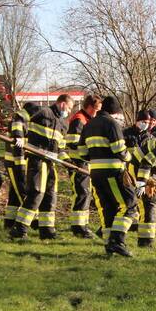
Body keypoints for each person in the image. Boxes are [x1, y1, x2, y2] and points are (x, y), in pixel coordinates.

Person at [78, 96, 138, 257]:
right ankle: (117, 241)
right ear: (115, 111)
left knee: (109, 208)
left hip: (95, 173)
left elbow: (82, 153)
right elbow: (119, 150)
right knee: (129, 205)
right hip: (113, 171)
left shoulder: (88, 124)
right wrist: (129, 156)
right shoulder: (112, 124)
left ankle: (108, 245)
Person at [11, 95, 74, 240]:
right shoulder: (43, 112)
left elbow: (61, 148)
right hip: (36, 159)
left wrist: (69, 163)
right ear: (63, 104)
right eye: (69, 108)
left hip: (50, 161)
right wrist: (18, 135)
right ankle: (19, 229)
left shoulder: (63, 124)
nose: (69, 112)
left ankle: (46, 230)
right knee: (36, 193)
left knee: (50, 195)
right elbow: (19, 116)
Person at [66, 95, 102, 238]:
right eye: (97, 110)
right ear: (90, 107)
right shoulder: (79, 120)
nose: (98, 113)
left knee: (86, 193)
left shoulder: (87, 120)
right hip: (77, 162)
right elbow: (72, 141)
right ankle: (79, 228)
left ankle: (83, 225)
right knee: (82, 193)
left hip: (84, 162)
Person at [3, 101, 37, 231]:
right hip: (15, 162)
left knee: (15, 194)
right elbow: (18, 138)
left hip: (20, 161)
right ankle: (32, 221)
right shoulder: (20, 117)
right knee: (22, 191)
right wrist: (21, 165)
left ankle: (9, 223)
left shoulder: (25, 120)